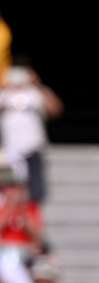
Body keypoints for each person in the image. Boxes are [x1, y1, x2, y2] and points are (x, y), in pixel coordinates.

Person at [0, 66, 63, 204]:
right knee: (10, 187)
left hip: (33, 147)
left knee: (34, 189)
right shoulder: (4, 94)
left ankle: (30, 216)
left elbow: (55, 109)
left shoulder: (36, 93)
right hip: (9, 150)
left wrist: (38, 85)